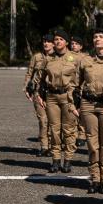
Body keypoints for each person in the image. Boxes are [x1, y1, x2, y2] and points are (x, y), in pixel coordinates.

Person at [33, 29, 82, 173]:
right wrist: (39, 94)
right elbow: (40, 79)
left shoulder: (76, 58)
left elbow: (83, 79)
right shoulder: (48, 59)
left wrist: (79, 98)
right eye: (56, 39)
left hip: (69, 97)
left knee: (69, 130)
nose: (57, 41)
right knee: (54, 129)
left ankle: (67, 160)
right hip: (52, 97)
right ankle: (55, 160)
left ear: (67, 42)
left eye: (61, 39)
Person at [78, 29, 103, 194]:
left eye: (101, 37)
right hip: (88, 104)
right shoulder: (85, 60)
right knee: (93, 144)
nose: (97, 39)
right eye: (95, 37)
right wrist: (74, 105)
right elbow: (75, 83)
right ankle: (95, 177)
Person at [24, 35, 53, 156]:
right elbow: (29, 72)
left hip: (52, 94)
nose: (46, 44)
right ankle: (44, 146)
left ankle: (53, 146)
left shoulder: (58, 57)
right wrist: (26, 87)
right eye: (44, 41)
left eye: (48, 42)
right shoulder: (37, 57)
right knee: (43, 120)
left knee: (53, 121)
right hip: (37, 92)